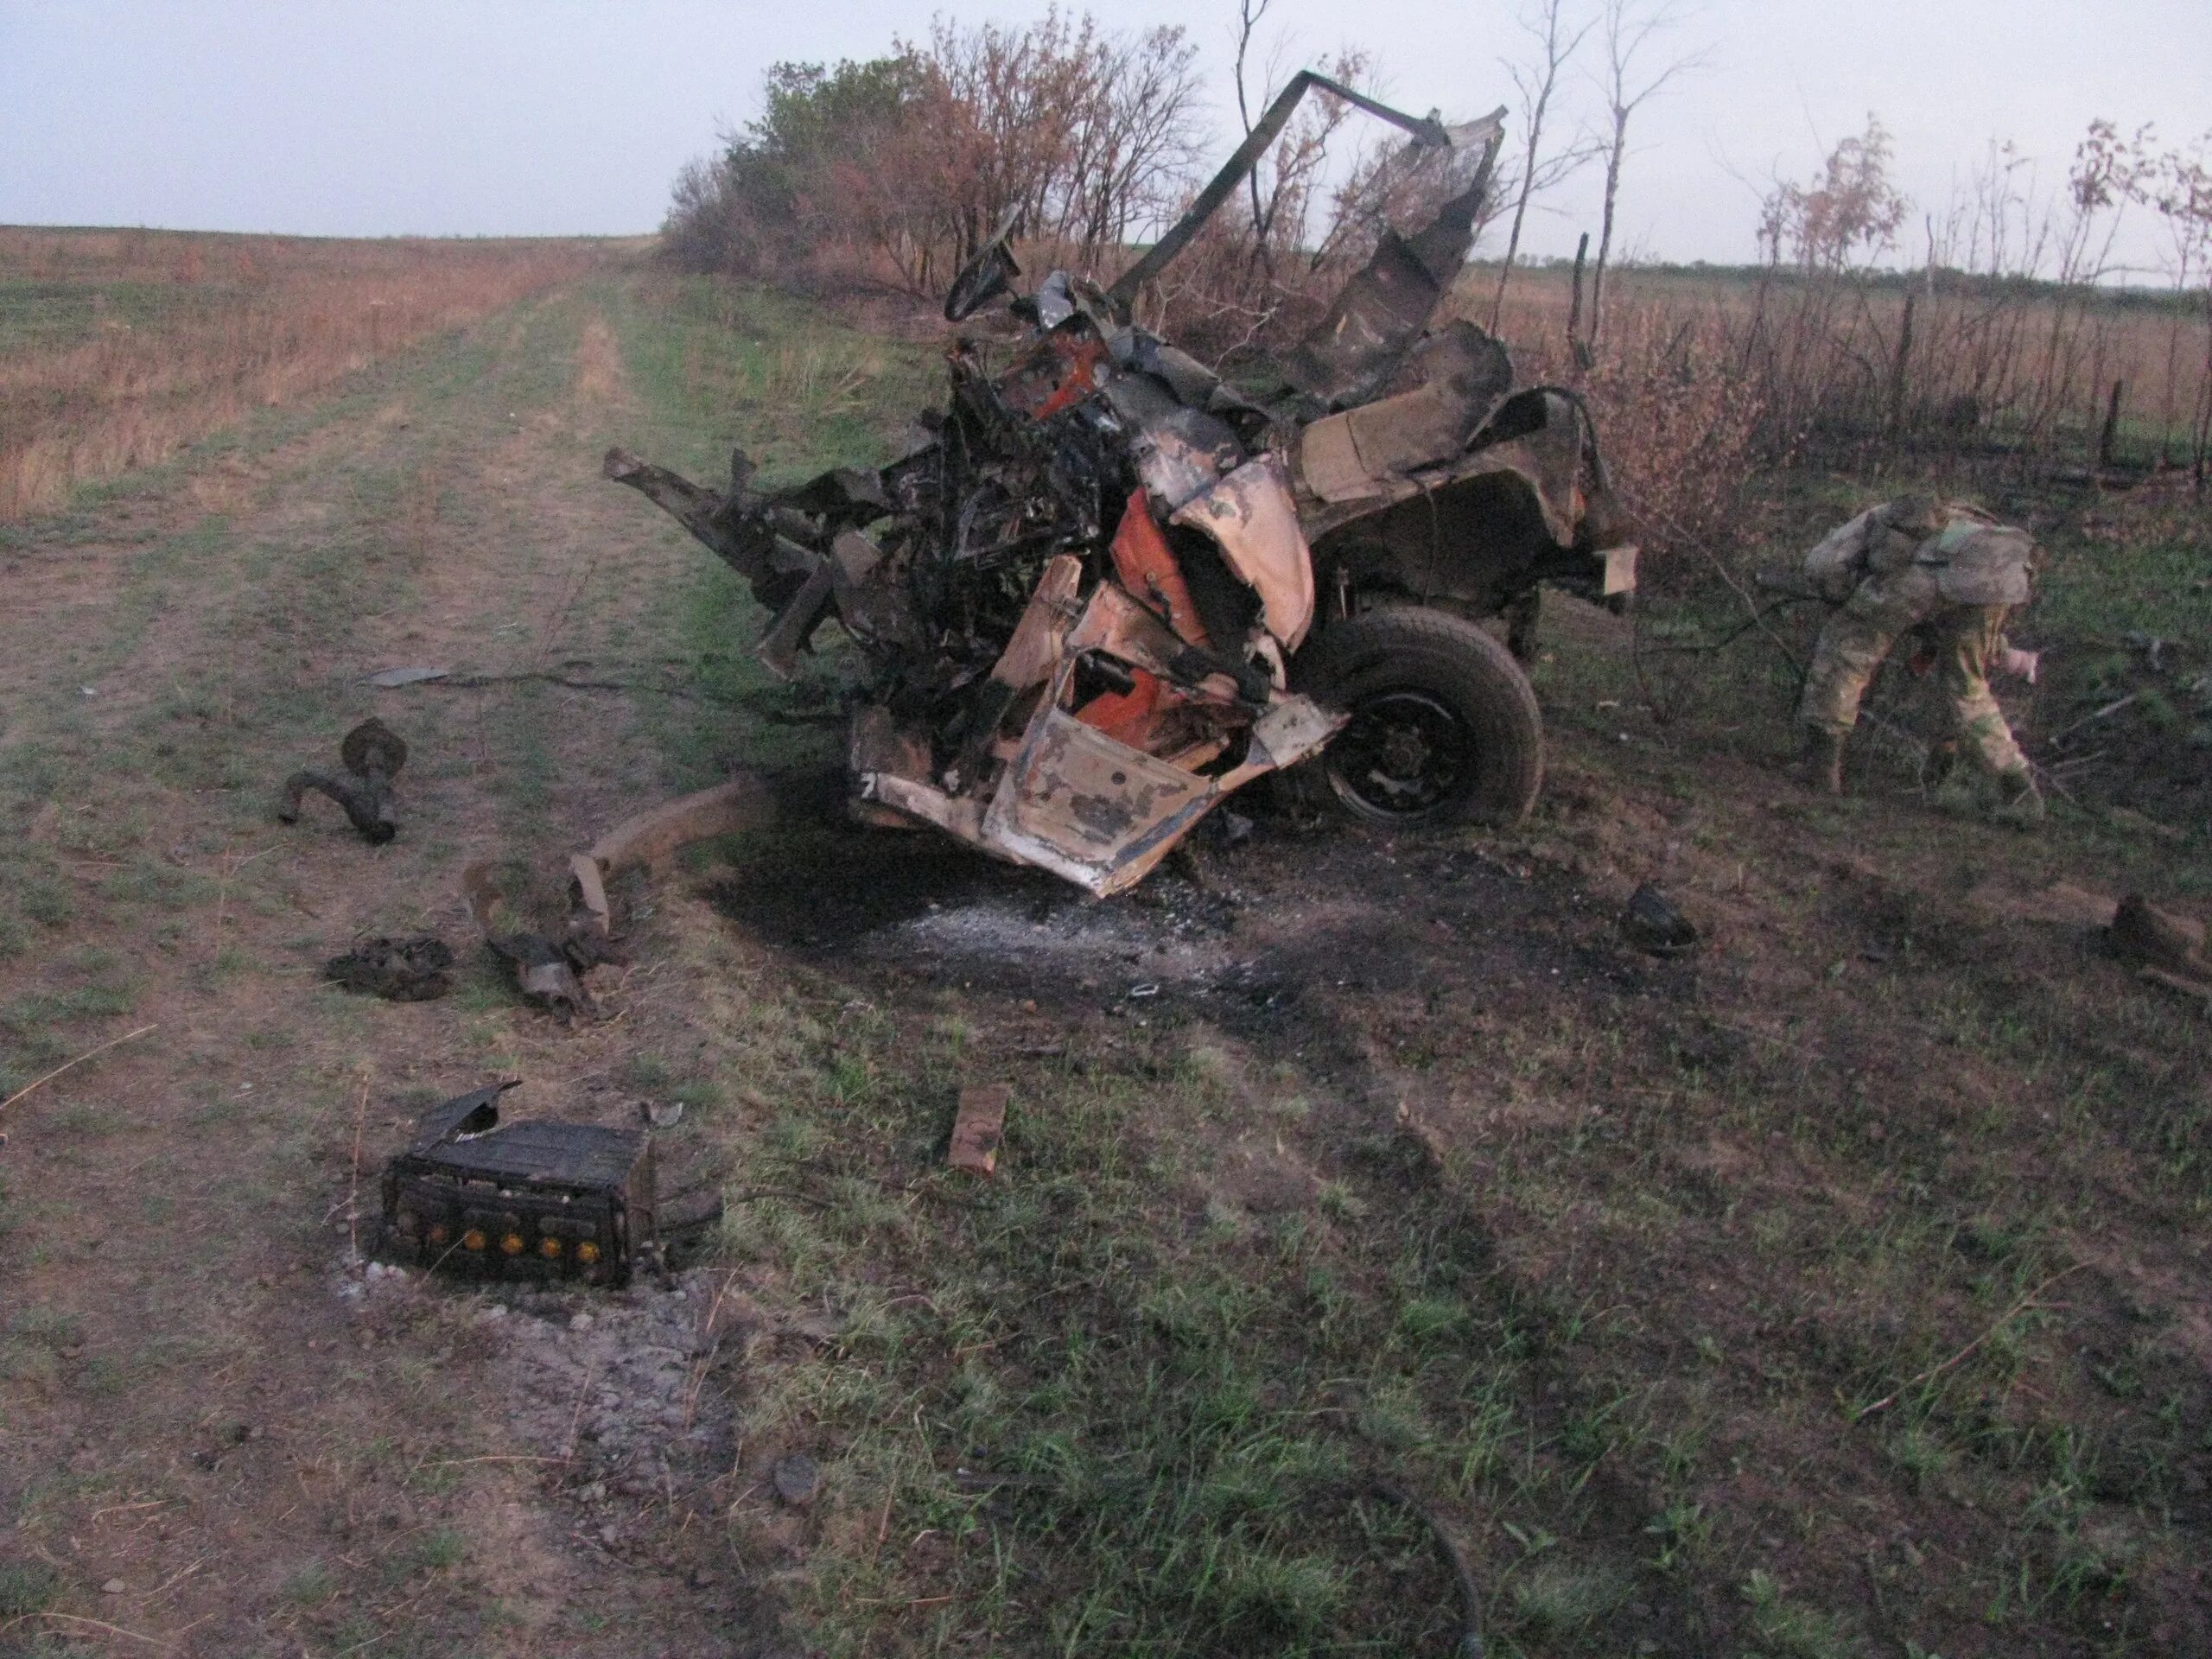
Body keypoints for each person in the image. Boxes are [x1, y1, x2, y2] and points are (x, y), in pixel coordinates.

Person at [1791, 497, 2045, 823]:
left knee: (1847, 651)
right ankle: (2020, 792)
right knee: (1968, 687)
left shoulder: (1872, 521)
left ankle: (1820, 765)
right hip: (1997, 583)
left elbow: (1821, 567)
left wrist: (1844, 600)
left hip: (1924, 576)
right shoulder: (1971, 524)